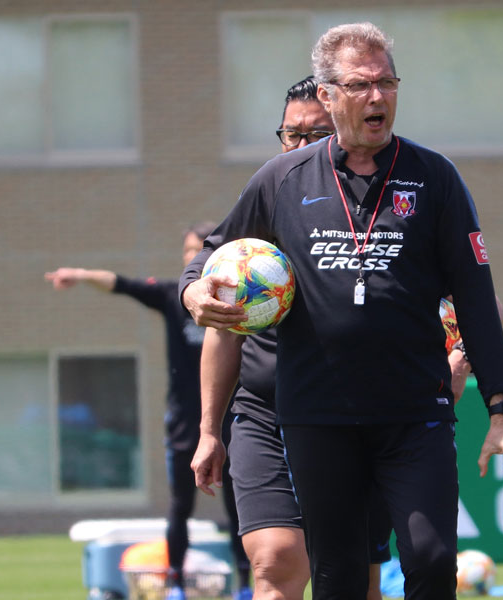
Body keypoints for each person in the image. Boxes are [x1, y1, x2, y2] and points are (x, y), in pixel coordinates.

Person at [181, 23, 503, 599]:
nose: (377, 97)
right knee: (339, 577)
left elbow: (475, 297)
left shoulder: (435, 178)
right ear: (327, 95)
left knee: (432, 560)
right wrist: (193, 291)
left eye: (387, 83)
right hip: (318, 417)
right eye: (361, 85)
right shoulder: (282, 179)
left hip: (414, 412)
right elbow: (212, 255)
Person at [185, 76, 398, 600]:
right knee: (276, 560)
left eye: (315, 135)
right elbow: (225, 324)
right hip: (266, 414)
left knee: (356, 580)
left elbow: (464, 298)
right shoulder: (267, 203)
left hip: (356, 419)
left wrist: (457, 356)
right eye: (290, 134)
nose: (299, 147)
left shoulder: (385, 212)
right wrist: (210, 430)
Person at [43, 223, 252, 600]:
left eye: (199, 249)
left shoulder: (243, 300)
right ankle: (176, 586)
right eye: (187, 250)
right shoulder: (174, 296)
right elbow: (122, 284)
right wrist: (81, 275)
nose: (191, 257)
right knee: (180, 506)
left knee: (238, 507)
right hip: (185, 424)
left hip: (232, 419)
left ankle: (245, 586)